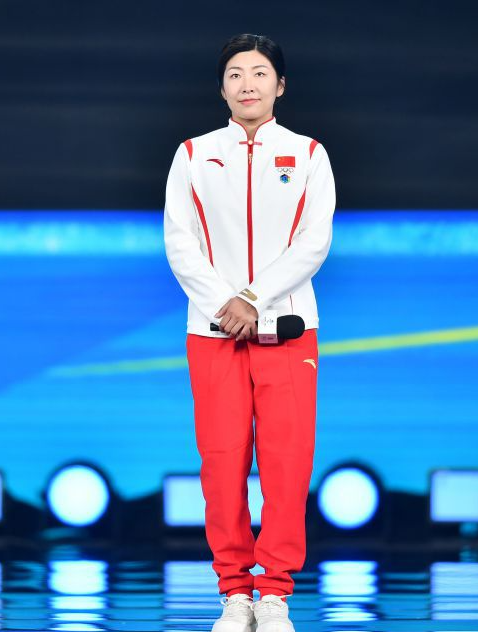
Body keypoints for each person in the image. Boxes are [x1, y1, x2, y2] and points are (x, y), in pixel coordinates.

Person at [163, 33, 336, 632]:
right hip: (214, 334)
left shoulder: (309, 154)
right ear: (222, 87)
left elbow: (314, 242)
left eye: (260, 73)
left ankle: (275, 595)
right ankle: (235, 593)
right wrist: (224, 305)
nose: (247, 84)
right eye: (235, 74)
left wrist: (253, 299)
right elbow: (180, 243)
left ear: (280, 86)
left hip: (288, 332)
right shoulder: (193, 154)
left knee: (287, 466)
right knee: (222, 464)